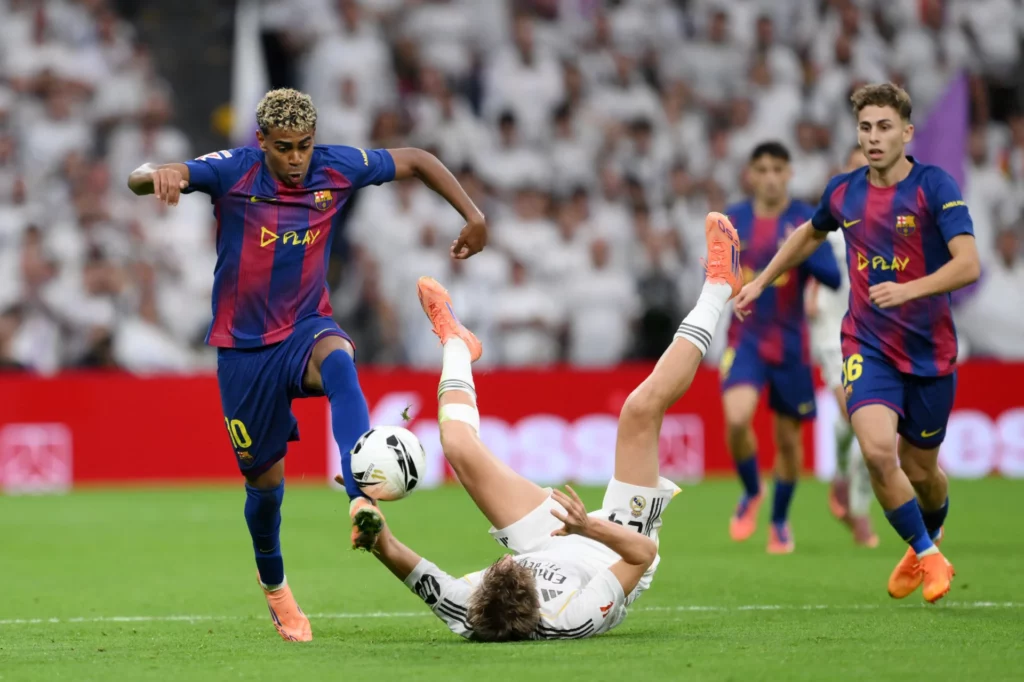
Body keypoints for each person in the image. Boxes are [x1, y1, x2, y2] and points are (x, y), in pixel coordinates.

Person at [127, 88, 488, 641]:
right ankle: (275, 587)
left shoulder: (336, 168)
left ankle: (361, 499)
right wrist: (159, 175)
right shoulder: (233, 172)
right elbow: (145, 174)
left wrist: (473, 214)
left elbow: (415, 159)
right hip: (244, 353)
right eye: (285, 148)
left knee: (340, 359)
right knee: (265, 489)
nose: (297, 159)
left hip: (305, 328)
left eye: (304, 147)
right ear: (262, 143)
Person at [350, 212, 742, 641]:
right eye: (508, 564)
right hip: (614, 548)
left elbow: (392, 551)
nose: (504, 559)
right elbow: (643, 556)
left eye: (501, 564)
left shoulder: (469, 611)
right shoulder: (573, 617)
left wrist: (368, 520)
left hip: (547, 539)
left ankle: (457, 344)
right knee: (640, 412)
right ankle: (720, 285)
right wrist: (588, 527)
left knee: (458, 445)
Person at [733, 83, 980, 603]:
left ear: (906, 133)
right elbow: (807, 233)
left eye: (884, 127)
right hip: (866, 344)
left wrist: (909, 288)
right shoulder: (845, 190)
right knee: (874, 449)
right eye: (865, 127)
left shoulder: (935, 187)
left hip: (930, 353)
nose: (873, 137)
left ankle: (926, 542)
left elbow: (968, 264)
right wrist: (760, 280)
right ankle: (929, 554)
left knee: (923, 472)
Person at [721, 142, 840, 554]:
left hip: (791, 346)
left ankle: (778, 521)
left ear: (789, 172)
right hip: (746, 340)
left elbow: (834, 276)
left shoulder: (806, 219)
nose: (770, 177)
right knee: (737, 419)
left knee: (789, 445)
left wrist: (799, 250)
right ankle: (753, 491)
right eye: (762, 169)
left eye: (777, 169)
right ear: (751, 175)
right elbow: (718, 277)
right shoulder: (732, 220)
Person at [806, 145, 878, 548]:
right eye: (854, 167)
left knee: (869, 427)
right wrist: (810, 293)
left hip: (876, 331)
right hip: (834, 331)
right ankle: (855, 502)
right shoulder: (833, 215)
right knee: (858, 418)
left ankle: (850, 492)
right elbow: (811, 254)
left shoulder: (890, 219)